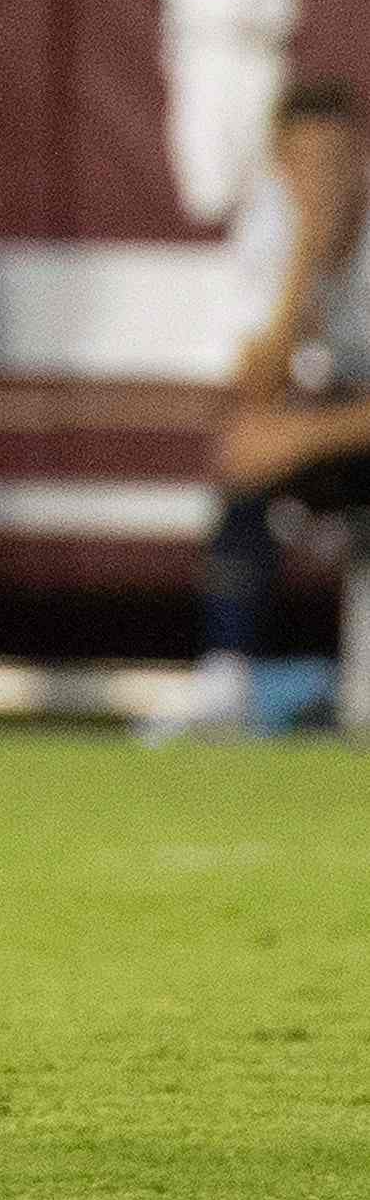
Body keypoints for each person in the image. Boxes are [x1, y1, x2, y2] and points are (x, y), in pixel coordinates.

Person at [177, 79, 370, 739]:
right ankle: (228, 672)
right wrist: (300, 265)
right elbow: (255, 392)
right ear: (281, 169)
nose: (327, 181)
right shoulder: (270, 231)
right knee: (246, 456)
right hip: (341, 431)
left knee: (279, 443)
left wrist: (306, 437)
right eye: (308, 166)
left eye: (340, 162)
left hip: (347, 427)